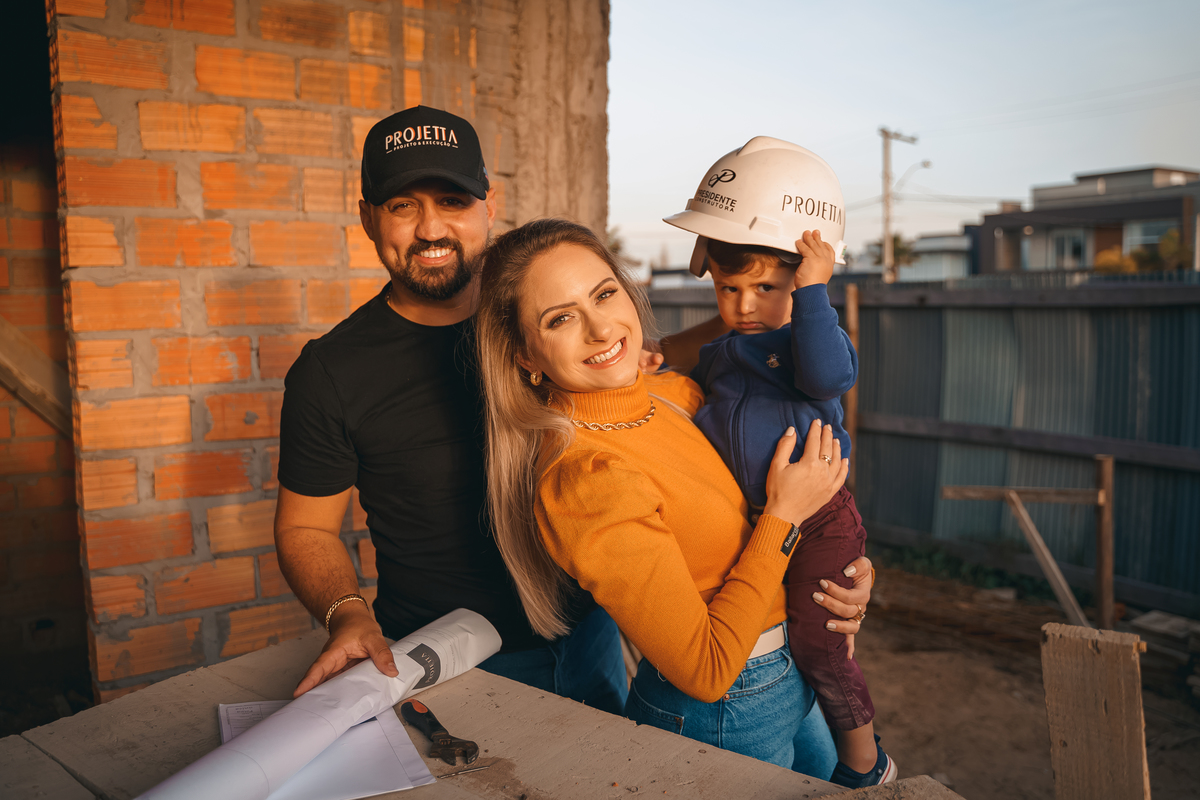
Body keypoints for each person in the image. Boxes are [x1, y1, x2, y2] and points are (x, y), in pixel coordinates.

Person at [474, 217, 874, 777]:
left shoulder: (673, 394)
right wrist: (785, 516)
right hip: (727, 709)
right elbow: (705, 670)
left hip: (791, 669)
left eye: (605, 294)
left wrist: (842, 571)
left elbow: (756, 354)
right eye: (560, 318)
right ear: (524, 356)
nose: (599, 328)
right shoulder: (587, 479)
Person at [272, 105, 627, 712]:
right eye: (403, 206)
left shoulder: (549, 323)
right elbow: (305, 528)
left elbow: (657, 373)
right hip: (450, 662)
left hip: (593, 638)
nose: (431, 229)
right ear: (367, 218)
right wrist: (346, 616)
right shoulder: (330, 372)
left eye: (453, 202)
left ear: (489, 206)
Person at [662, 136, 893, 787]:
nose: (743, 305)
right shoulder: (728, 348)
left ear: (804, 276)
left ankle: (865, 760)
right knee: (790, 640)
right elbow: (681, 359)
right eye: (729, 287)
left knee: (822, 641)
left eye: (768, 286)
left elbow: (826, 378)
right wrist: (654, 357)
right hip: (759, 519)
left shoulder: (806, 344)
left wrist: (814, 295)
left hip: (817, 517)